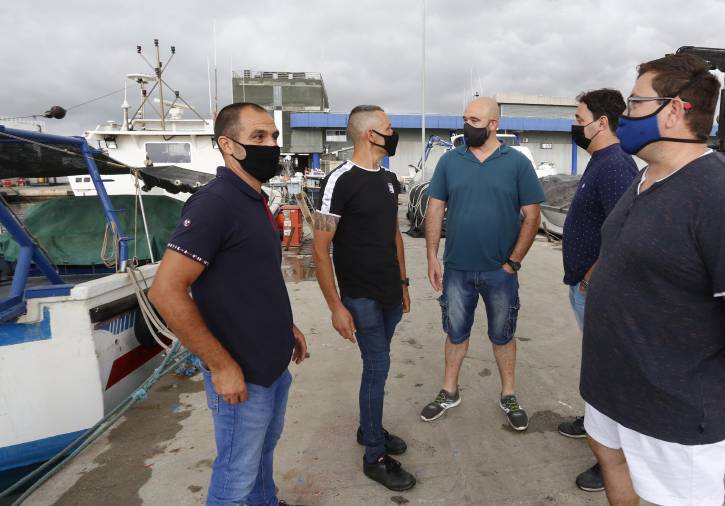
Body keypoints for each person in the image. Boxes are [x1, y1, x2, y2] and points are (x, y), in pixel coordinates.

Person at [580, 53, 725, 506]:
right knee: (609, 456)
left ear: (675, 109)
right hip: (613, 387)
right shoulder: (644, 179)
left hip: (673, 406)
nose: (625, 114)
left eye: (636, 102)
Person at [149, 102, 307, 506]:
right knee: (235, 476)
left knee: (260, 457)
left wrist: (285, 328)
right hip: (242, 375)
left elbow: (254, 280)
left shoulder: (253, 199)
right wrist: (221, 367)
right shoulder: (214, 204)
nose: (271, 145)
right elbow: (166, 291)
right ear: (227, 145)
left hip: (272, 365)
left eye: (273, 136)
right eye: (258, 137)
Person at [420, 97, 545, 431]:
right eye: (464, 119)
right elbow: (434, 209)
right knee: (455, 332)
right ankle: (449, 391)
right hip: (457, 268)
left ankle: (509, 394)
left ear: (493, 124)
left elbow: (532, 216)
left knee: (503, 335)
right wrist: (432, 255)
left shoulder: (516, 163)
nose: (466, 126)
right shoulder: (450, 161)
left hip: (500, 271)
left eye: (474, 120)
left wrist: (513, 262)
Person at [311, 105, 416, 492]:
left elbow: (394, 235)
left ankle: (367, 426)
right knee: (377, 366)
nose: (393, 132)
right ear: (371, 134)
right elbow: (320, 248)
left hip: (390, 291)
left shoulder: (389, 179)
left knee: (378, 365)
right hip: (361, 296)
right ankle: (374, 453)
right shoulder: (338, 180)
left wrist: (404, 283)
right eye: (389, 127)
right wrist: (336, 306)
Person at [555, 89, 638, 493]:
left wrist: (591, 276)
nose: (574, 124)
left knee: (609, 373)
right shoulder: (600, 162)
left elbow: (623, 232)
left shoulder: (616, 166)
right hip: (587, 286)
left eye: (578, 116)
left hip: (598, 289)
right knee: (596, 366)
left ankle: (610, 459)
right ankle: (595, 425)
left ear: (601, 122)